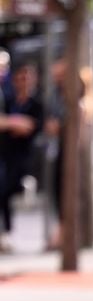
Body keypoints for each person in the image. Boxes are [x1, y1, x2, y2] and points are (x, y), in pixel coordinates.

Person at [0, 63, 43, 252]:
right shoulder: (9, 101)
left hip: (24, 157)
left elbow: (31, 127)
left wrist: (9, 123)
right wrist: (15, 124)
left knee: (7, 190)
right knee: (2, 192)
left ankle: (6, 231)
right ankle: (5, 232)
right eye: (21, 77)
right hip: (5, 154)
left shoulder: (36, 104)